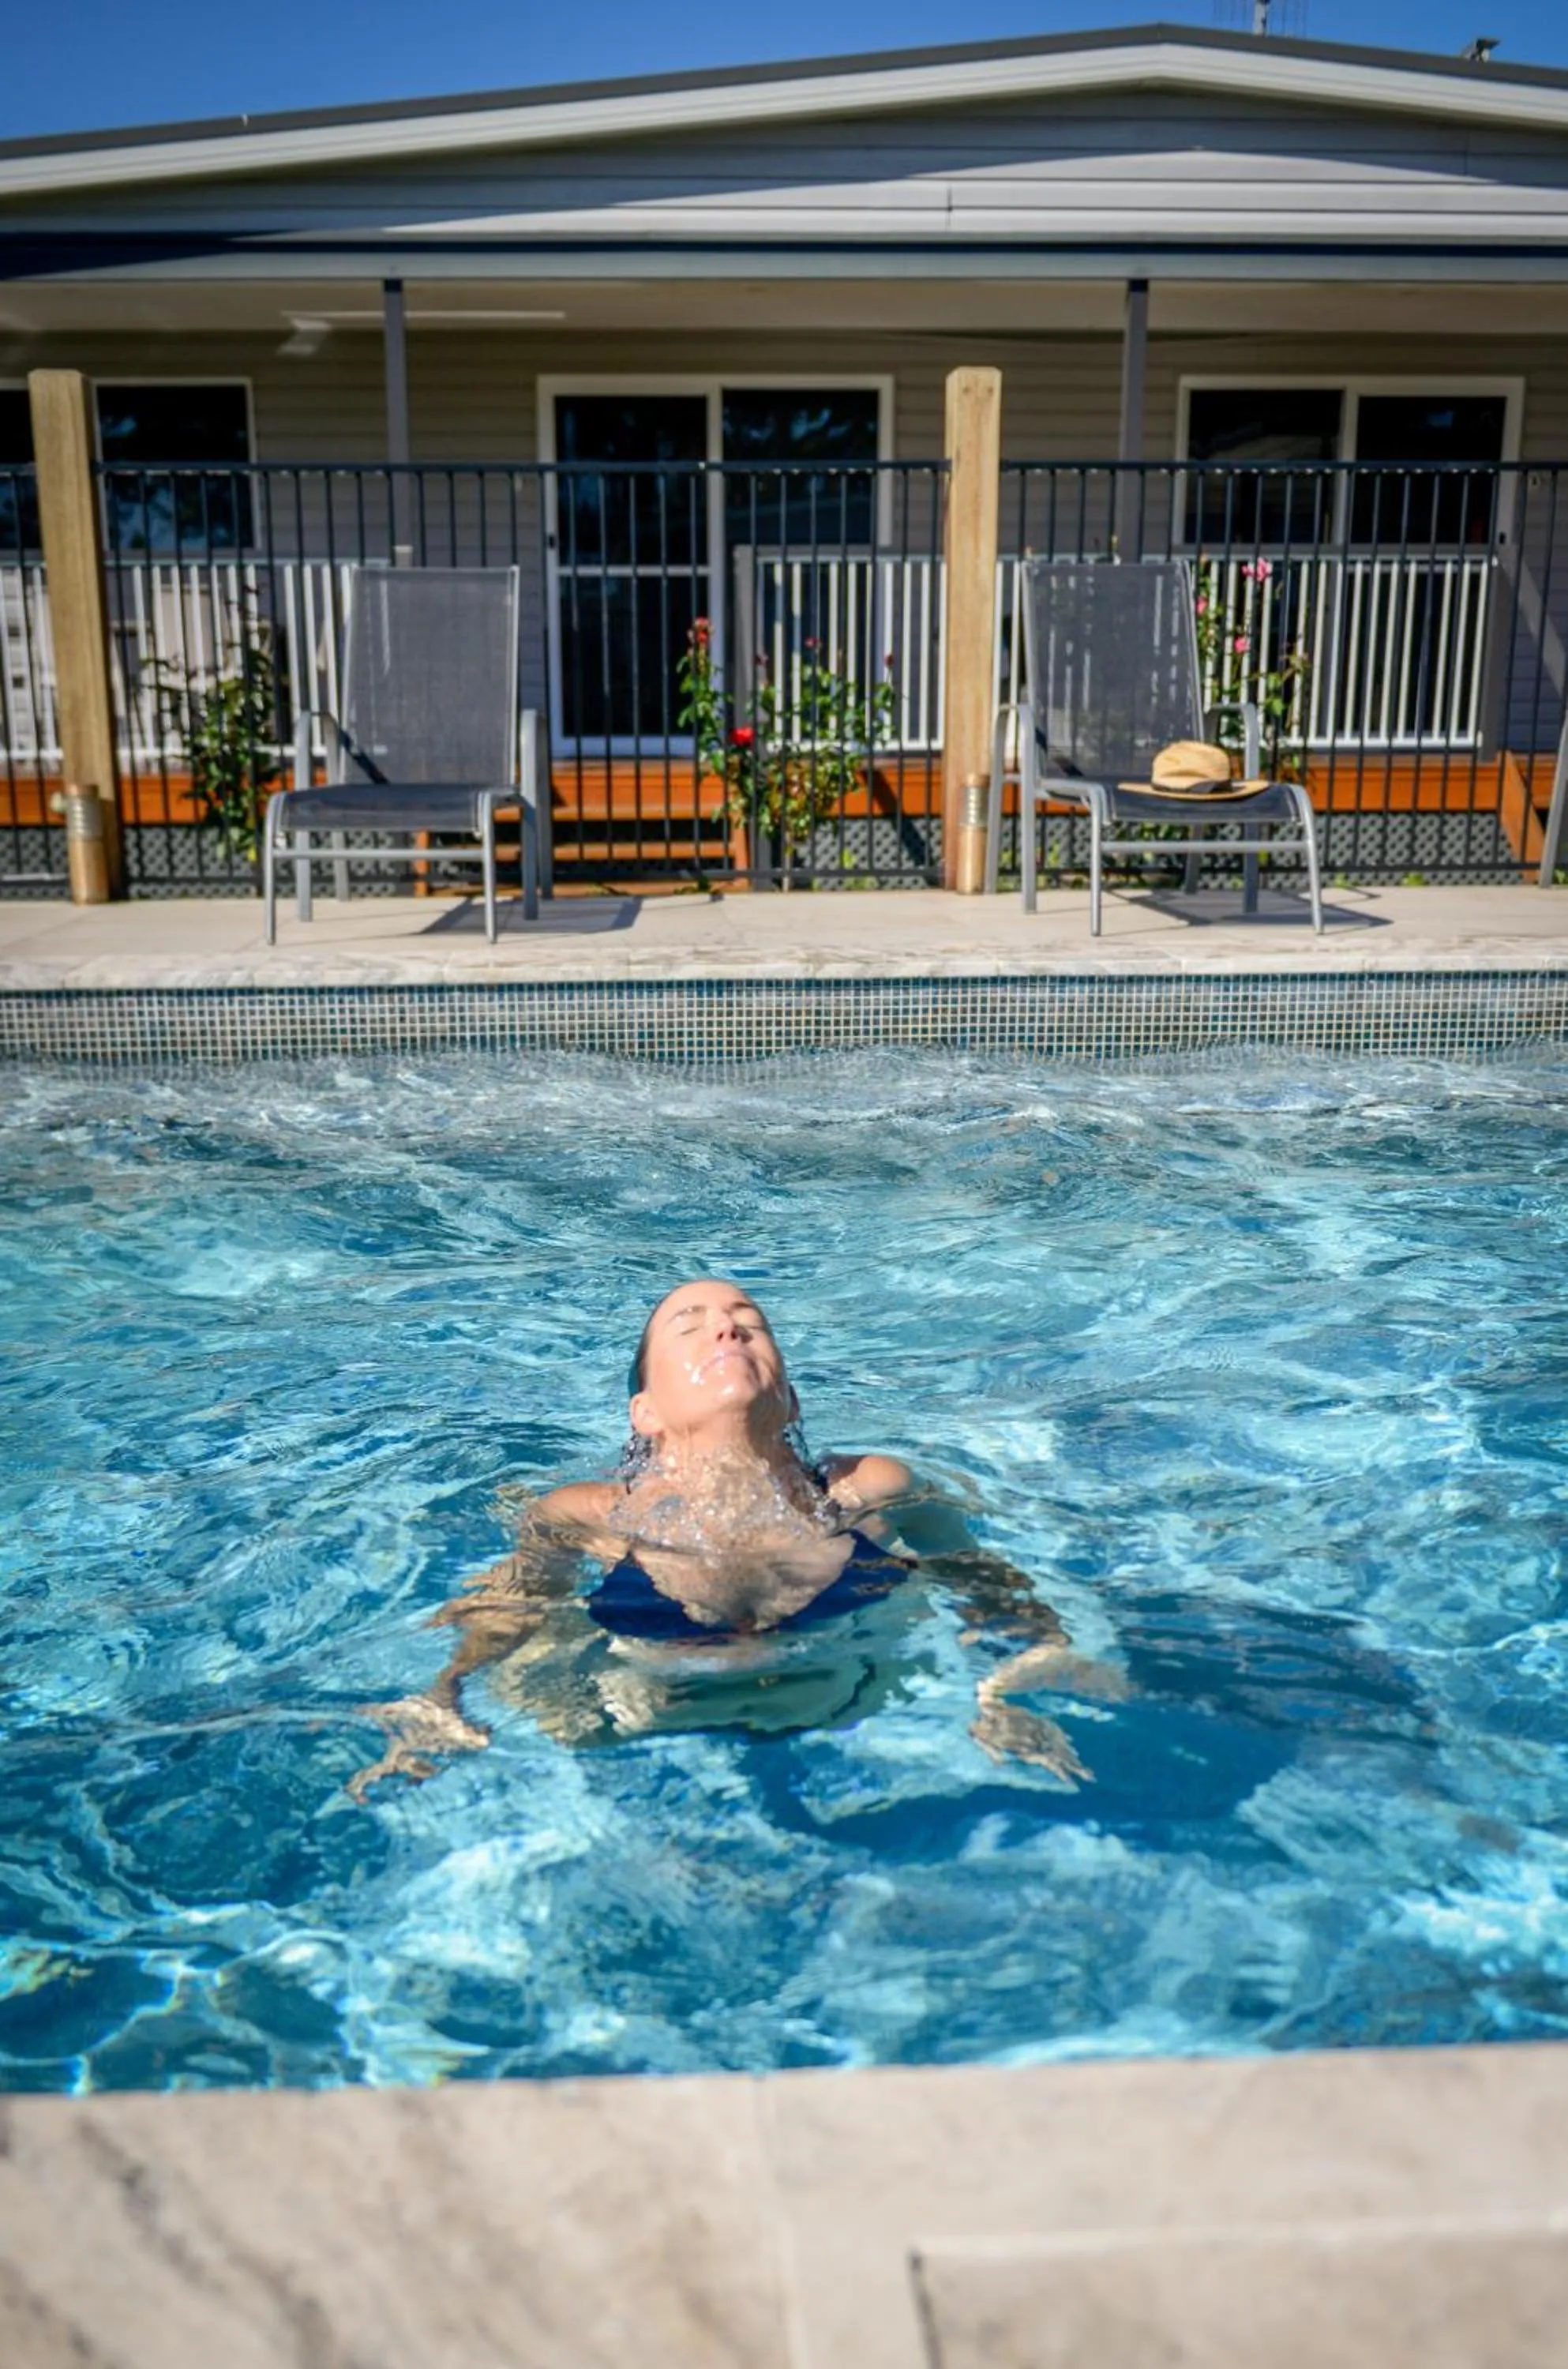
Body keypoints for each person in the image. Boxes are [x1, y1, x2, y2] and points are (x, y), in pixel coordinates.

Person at [347, 1278, 1120, 1800]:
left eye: (751, 1326)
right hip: (632, 1735)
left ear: (788, 1397)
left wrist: (1008, 1686)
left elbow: (985, 1581)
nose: (728, 1326)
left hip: (859, 1720)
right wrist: (440, 1694)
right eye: (695, 1326)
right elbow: (507, 1609)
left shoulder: (873, 1491)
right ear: (644, 1413)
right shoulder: (584, 1516)